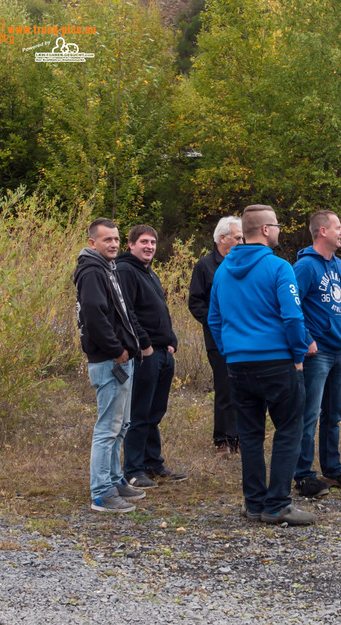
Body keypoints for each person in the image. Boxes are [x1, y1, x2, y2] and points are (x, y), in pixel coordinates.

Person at [208, 204, 315, 526]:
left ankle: (254, 503)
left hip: (239, 365)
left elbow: (215, 319)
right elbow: (293, 316)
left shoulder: (224, 269)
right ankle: (277, 504)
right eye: (277, 225)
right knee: (288, 431)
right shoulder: (280, 267)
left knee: (251, 435)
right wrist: (298, 355)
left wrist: (231, 350)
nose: (280, 230)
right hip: (277, 362)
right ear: (266, 230)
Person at [73, 218, 148, 513]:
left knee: (119, 427)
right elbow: (93, 315)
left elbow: (122, 312)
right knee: (107, 428)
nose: (114, 244)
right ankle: (101, 493)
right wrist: (116, 349)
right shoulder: (91, 271)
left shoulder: (108, 268)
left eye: (116, 239)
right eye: (107, 240)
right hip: (108, 361)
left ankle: (115, 480)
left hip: (119, 359)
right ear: (93, 243)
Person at [292, 210, 341, 498]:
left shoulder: (339, 266)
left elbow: (339, 303)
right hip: (316, 353)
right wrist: (305, 338)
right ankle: (303, 475)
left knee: (333, 415)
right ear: (322, 231)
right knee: (308, 415)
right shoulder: (305, 267)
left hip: (338, 350)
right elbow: (290, 304)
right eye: (337, 227)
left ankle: (332, 470)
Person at [116, 224, 187, 488]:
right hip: (145, 354)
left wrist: (172, 341)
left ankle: (152, 463)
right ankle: (133, 469)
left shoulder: (148, 272)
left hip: (162, 352)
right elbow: (127, 313)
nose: (149, 247)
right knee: (139, 412)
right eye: (144, 242)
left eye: (153, 242)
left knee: (155, 411)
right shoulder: (125, 270)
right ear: (131, 244)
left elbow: (160, 311)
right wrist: (144, 345)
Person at [189, 216, 243, 457]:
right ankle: (223, 438)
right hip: (219, 338)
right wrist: (216, 322)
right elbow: (196, 302)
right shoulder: (205, 266)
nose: (242, 241)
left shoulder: (243, 264)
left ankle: (241, 436)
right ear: (223, 238)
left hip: (244, 337)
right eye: (238, 237)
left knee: (244, 386)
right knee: (225, 387)